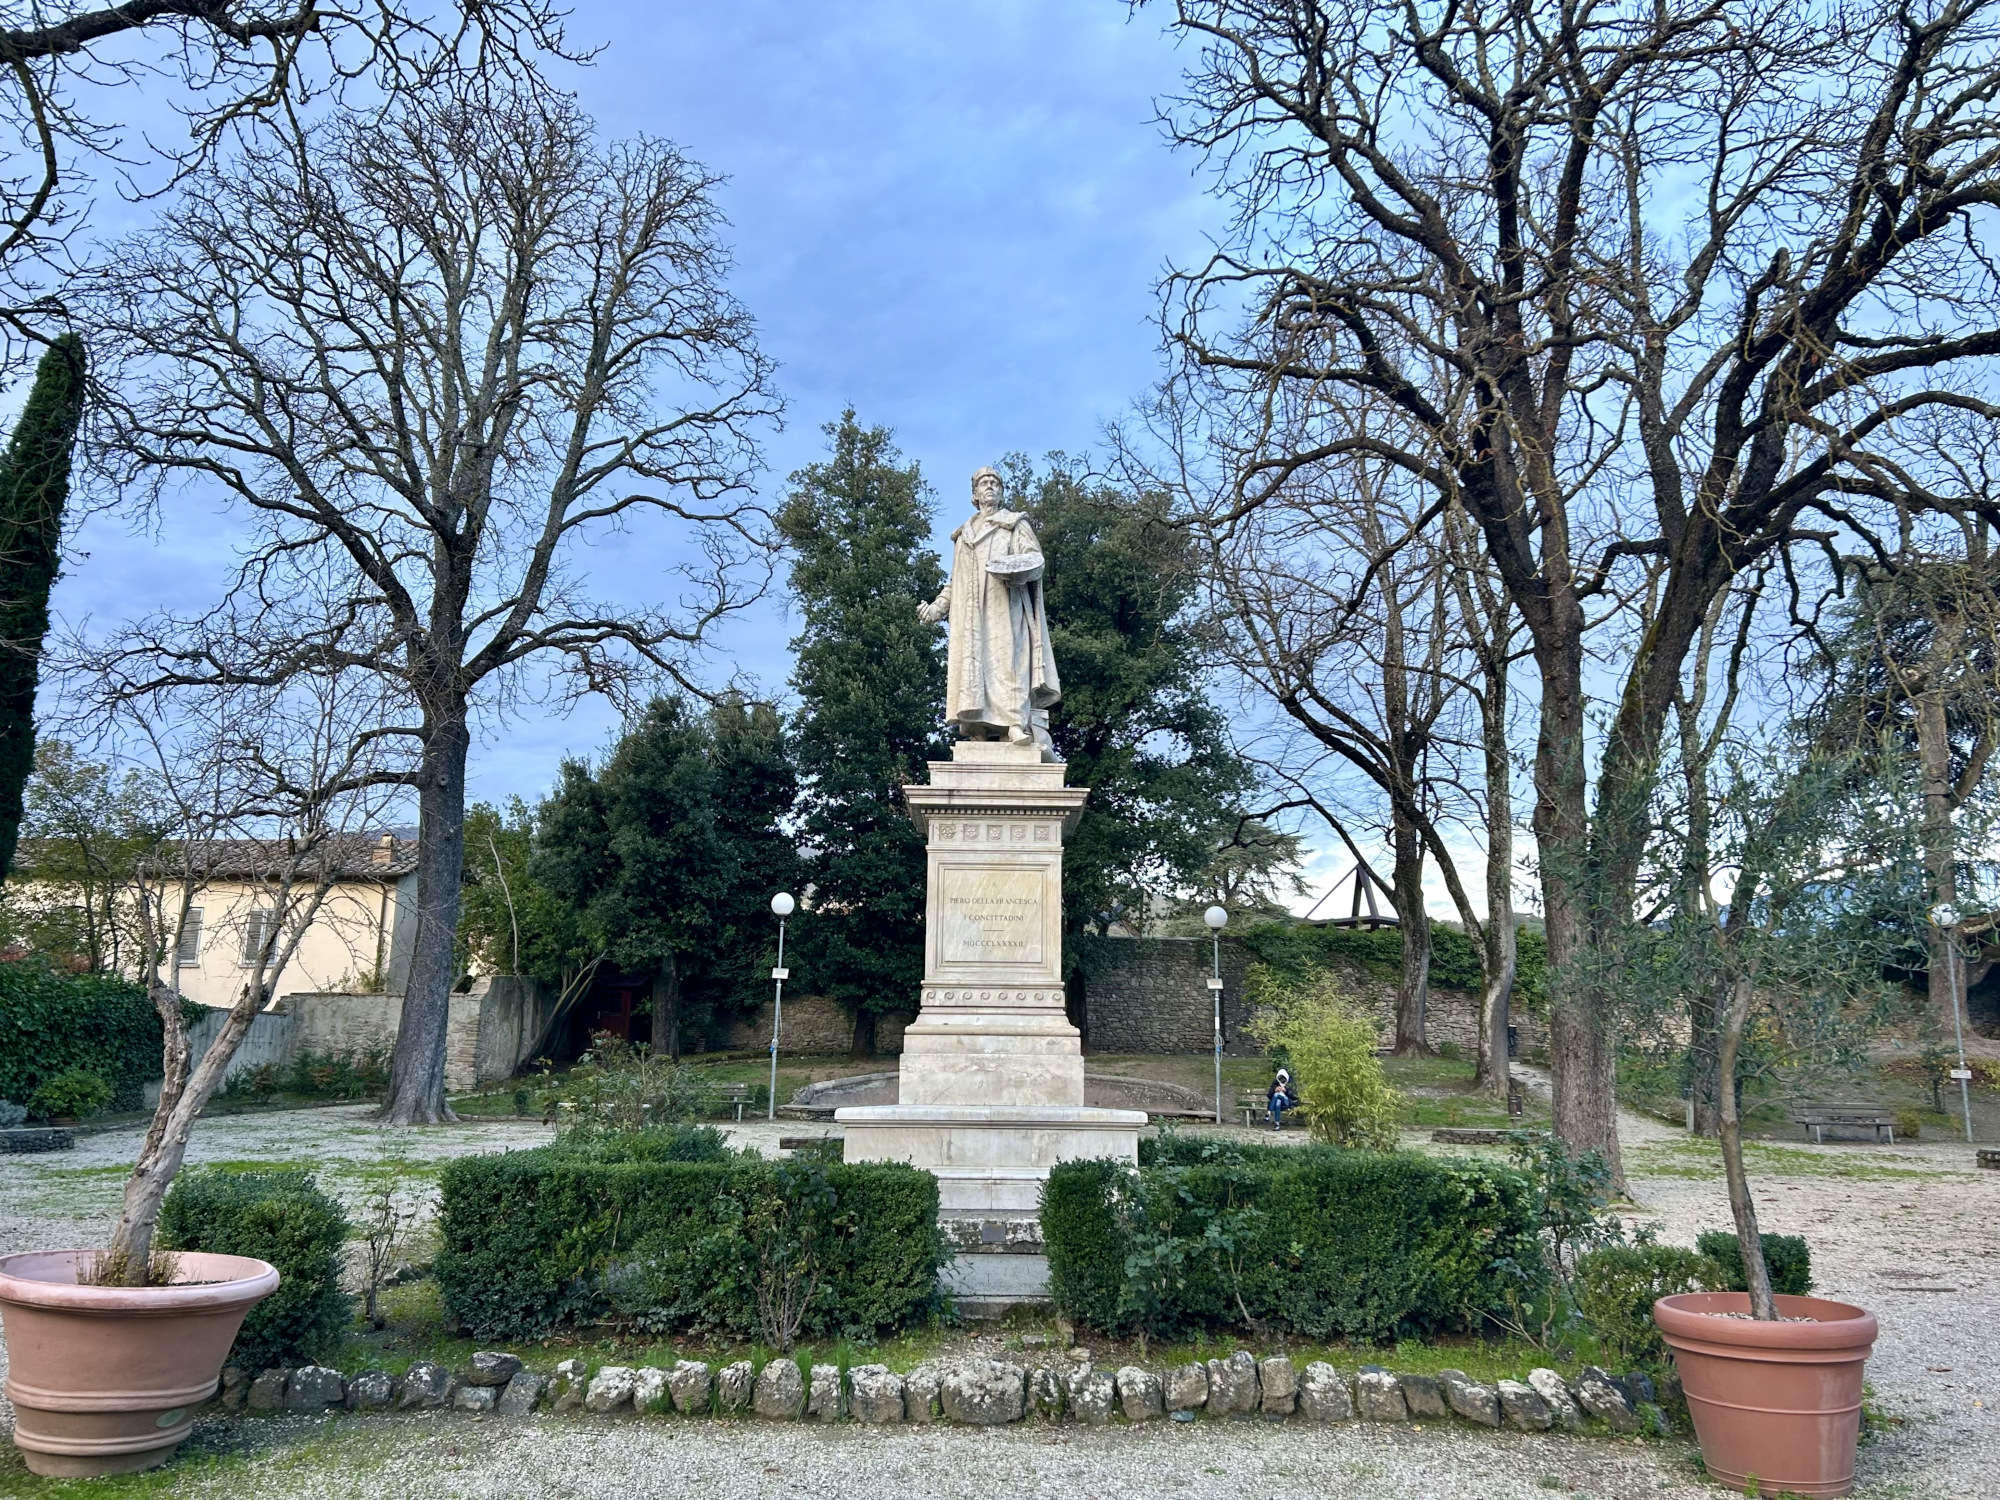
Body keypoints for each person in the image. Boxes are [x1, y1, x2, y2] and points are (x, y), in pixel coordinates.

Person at [917, 466, 1061, 755]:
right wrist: (936, 609)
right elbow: (954, 582)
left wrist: (1015, 571)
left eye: (995, 482)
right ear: (975, 494)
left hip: (1005, 607)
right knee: (974, 668)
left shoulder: (1015, 524)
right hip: (971, 617)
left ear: (1001, 490)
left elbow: (1035, 561)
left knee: (1009, 663)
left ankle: (1014, 724)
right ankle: (977, 731)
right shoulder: (963, 536)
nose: (990, 487)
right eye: (984, 483)